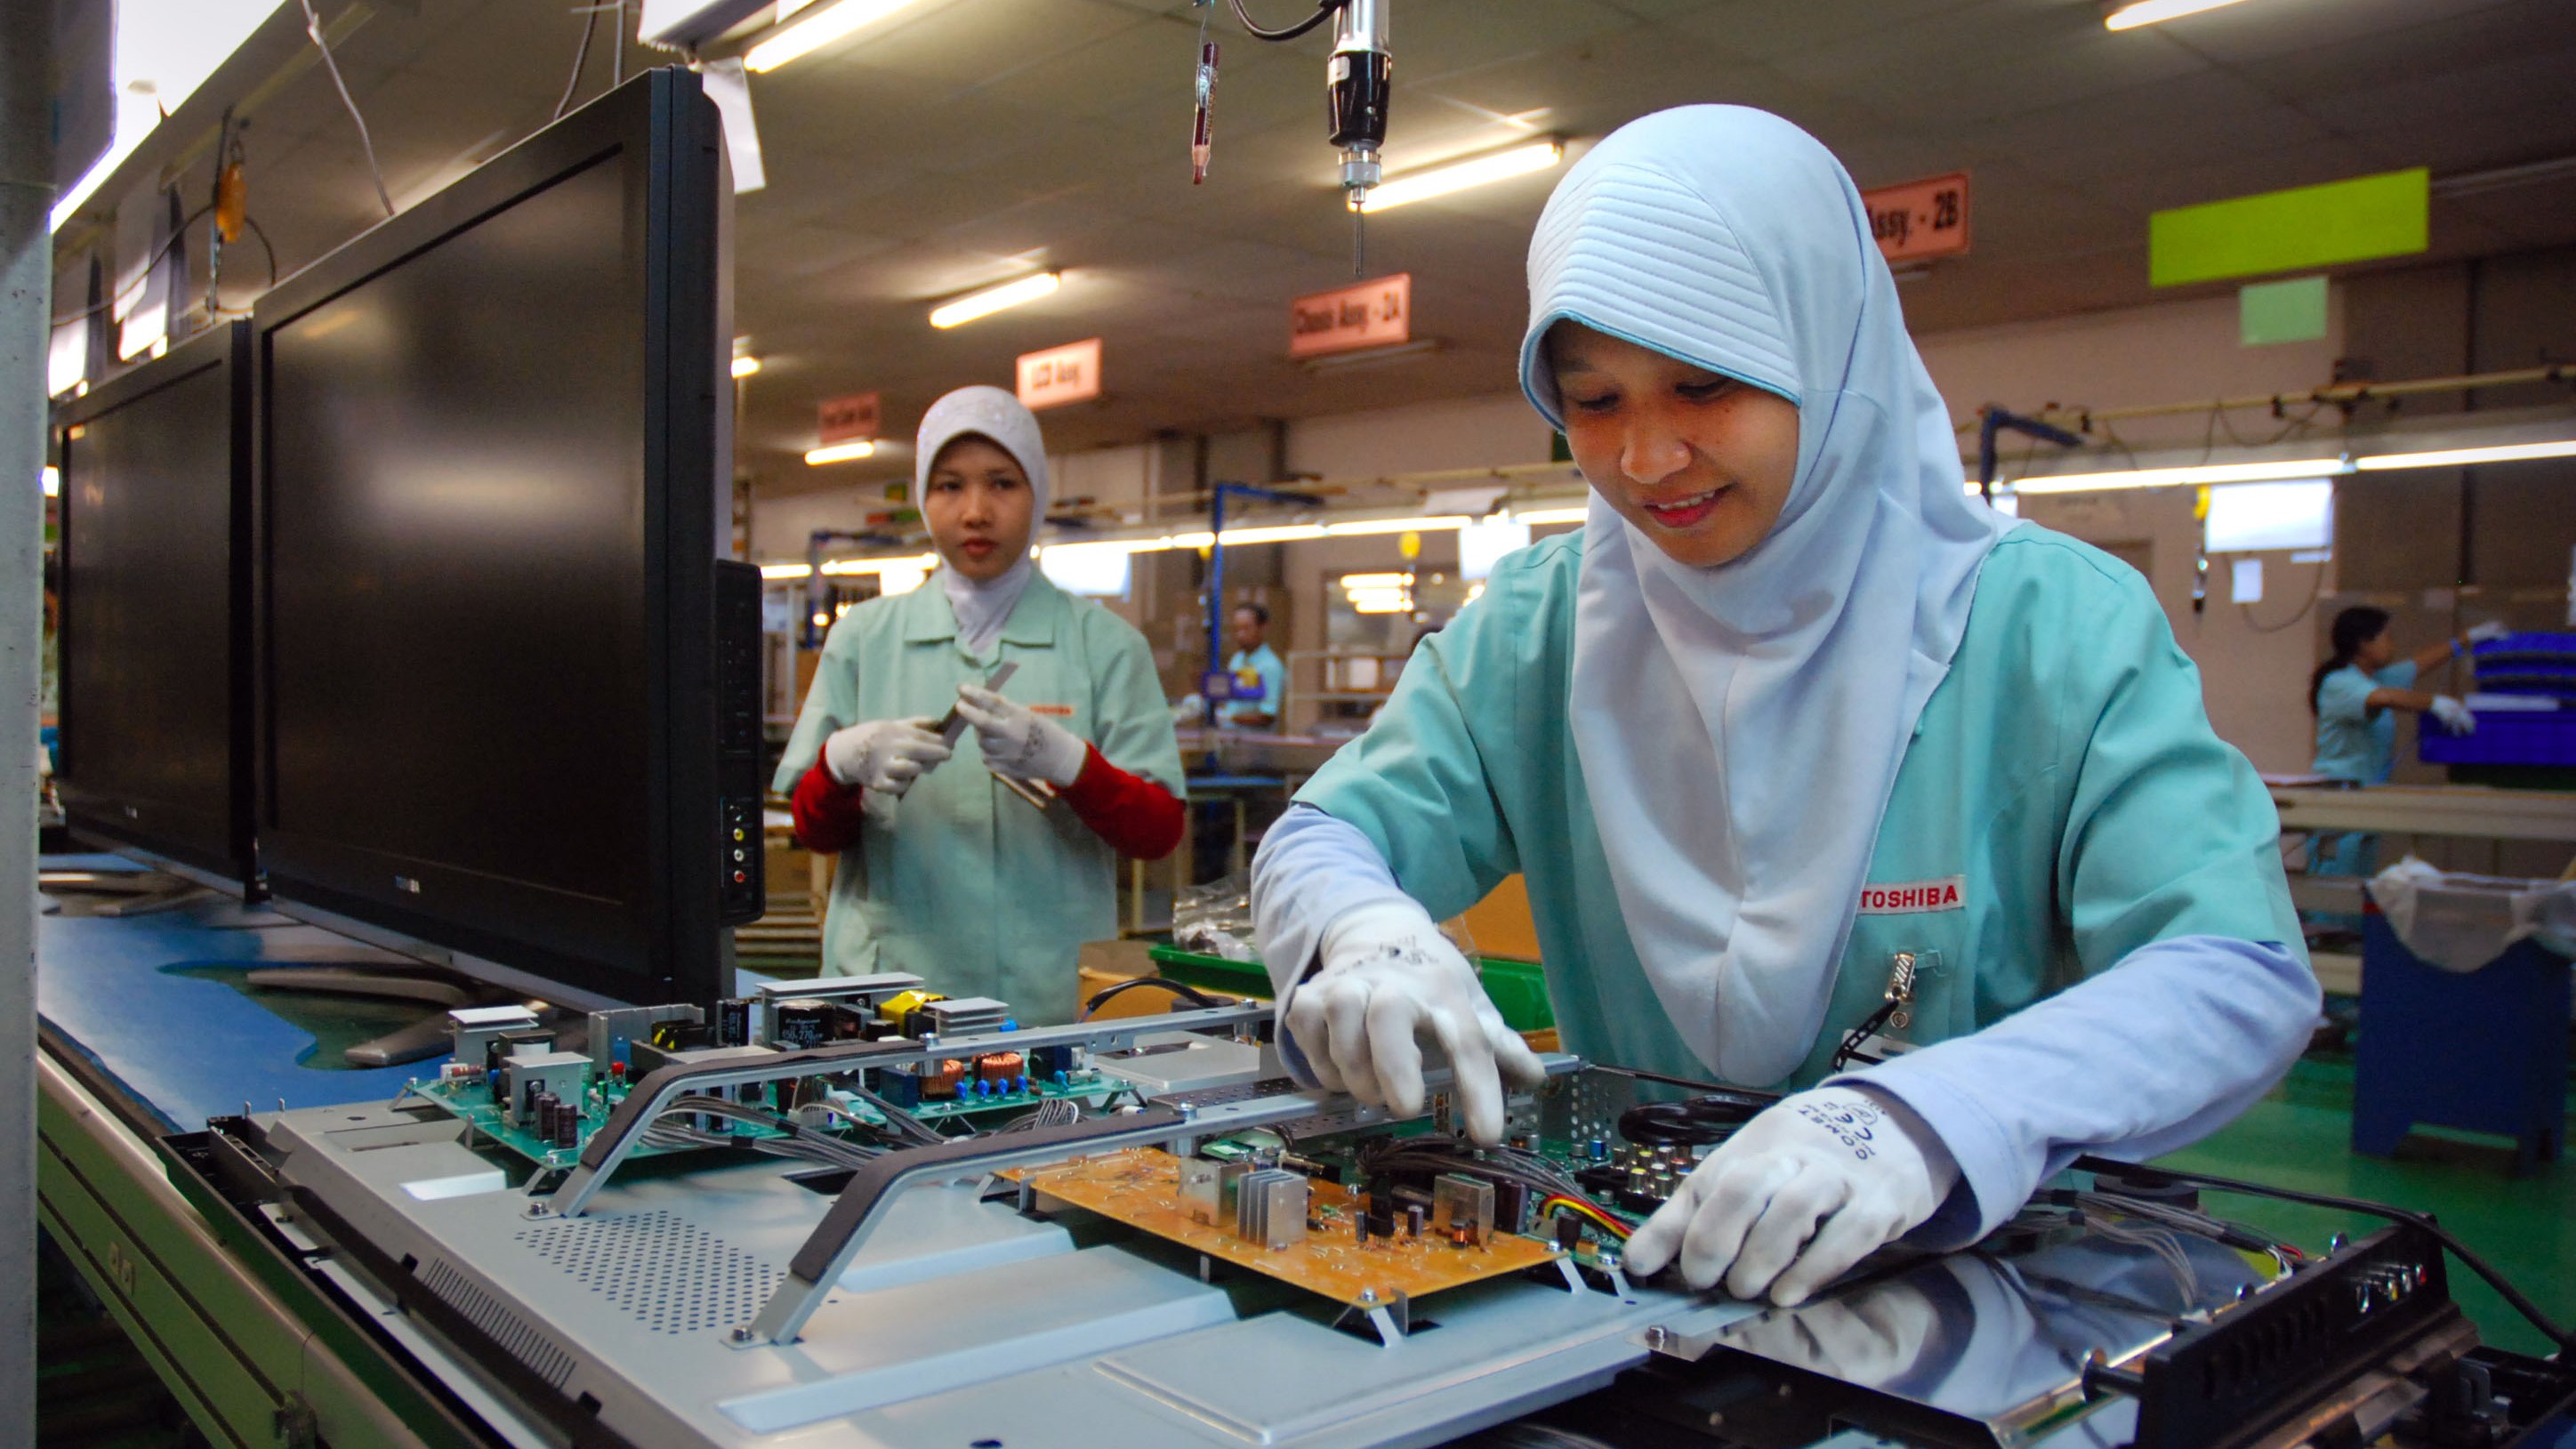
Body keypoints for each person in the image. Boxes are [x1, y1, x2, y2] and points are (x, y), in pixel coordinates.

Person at [1250, 107, 2319, 1308]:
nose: (1647, 458)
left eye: (1703, 386)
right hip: (1634, 1282)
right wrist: (1364, 934)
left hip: (1966, 1287)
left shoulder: (2053, 628)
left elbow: (2236, 971)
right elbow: (1324, 836)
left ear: (1830, 353)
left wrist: (1928, 1120)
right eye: (1593, 403)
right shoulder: (1542, 628)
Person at [776, 386, 1187, 1023]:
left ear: (1038, 493)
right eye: (948, 486)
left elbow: (1159, 833)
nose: (975, 511)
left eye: (1002, 483)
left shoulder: (1105, 645)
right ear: (921, 497)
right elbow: (812, 829)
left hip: (1044, 1001)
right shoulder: (863, 639)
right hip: (892, 996)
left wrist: (1073, 763)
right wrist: (841, 764)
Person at [2306, 606, 2499, 876]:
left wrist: (2468, 639)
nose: (2392, 645)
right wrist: (2434, 702)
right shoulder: (2339, 682)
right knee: (2332, 891)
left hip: (2367, 799)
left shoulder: (2374, 678)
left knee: (2358, 888)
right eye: (2387, 637)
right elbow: (2384, 698)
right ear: (2364, 643)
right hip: (2339, 801)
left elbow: (2420, 664)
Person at [1218, 603, 1285, 731]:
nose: (1240, 635)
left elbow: (1267, 716)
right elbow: (1231, 699)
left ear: (1263, 628)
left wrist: (1230, 718)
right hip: (1230, 739)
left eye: (1246, 629)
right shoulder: (1237, 660)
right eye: (1237, 629)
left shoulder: (1270, 666)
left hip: (1255, 745)